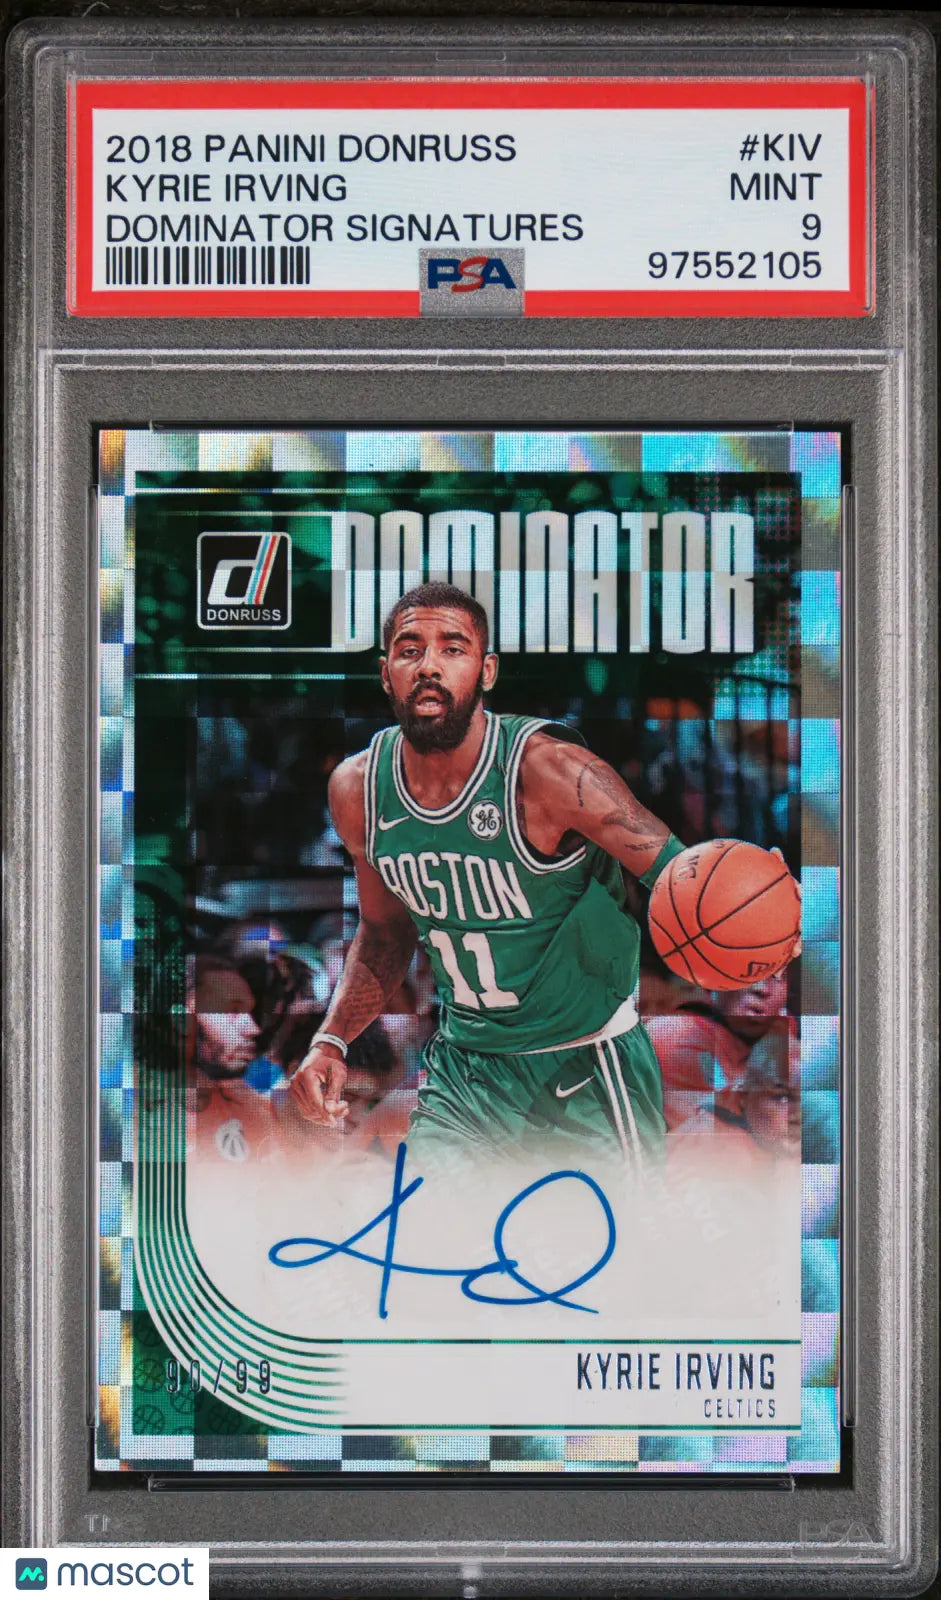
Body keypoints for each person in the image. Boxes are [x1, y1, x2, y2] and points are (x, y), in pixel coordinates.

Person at [288, 582, 689, 1167]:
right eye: (409, 650)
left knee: (602, 1230)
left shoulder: (552, 772)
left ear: (488, 670)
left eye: (453, 648)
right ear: (386, 674)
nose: (429, 665)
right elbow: (385, 932)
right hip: (464, 1070)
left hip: (584, 1065)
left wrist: (770, 911)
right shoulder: (357, 789)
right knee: (424, 1224)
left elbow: (683, 876)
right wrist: (331, 1040)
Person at [185, 954, 280, 1165]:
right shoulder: (124, 1117)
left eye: (249, 1013)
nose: (253, 1029)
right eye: (233, 1011)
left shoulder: (256, 1108)